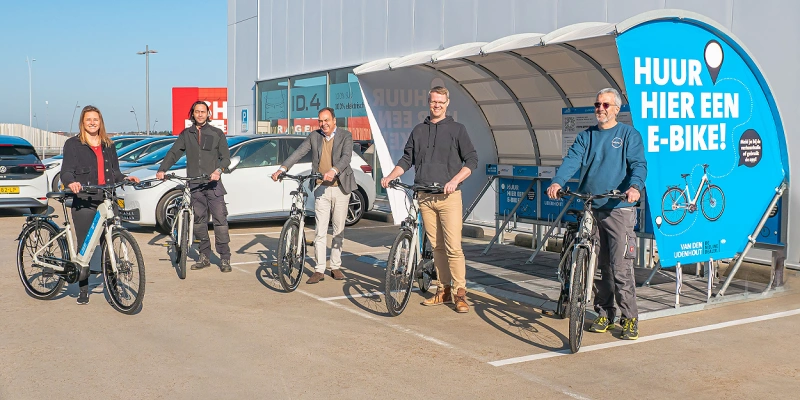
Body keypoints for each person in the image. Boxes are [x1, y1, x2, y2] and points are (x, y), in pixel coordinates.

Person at [546, 88, 647, 340]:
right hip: (591, 207)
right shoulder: (586, 137)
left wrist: (635, 187)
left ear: (616, 109)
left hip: (618, 208)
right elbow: (572, 160)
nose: (600, 109)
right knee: (598, 266)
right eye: (597, 104)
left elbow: (638, 164)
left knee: (621, 267)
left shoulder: (628, 135)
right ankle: (603, 313)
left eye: (605, 105)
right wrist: (558, 182)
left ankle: (629, 318)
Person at [381, 86, 478, 313]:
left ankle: (460, 293)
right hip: (424, 196)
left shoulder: (457, 129)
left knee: (453, 247)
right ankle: (443, 290)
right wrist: (390, 176)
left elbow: (472, 160)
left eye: (441, 102)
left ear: (447, 103)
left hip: (449, 197)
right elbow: (407, 159)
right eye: (434, 102)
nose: (437, 105)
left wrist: (455, 180)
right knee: (437, 248)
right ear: (429, 102)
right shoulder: (418, 130)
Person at [61, 105, 140, 305]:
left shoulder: (108, 144)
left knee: (109, 244)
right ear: (83, 122)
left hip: (107, 198)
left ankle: (113, 288)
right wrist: (72, 182)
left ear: (101, 121)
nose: (93, 122)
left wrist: (126, 178)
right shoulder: (73, 144)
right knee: (85, 247)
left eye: (96, 119)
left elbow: (114, 172)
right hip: (85, 200)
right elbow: (66, 171)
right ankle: (84, 289)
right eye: (89, 119)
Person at [271, 107, 357, 284]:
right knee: (320, 230)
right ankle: (319, 269)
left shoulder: (345, 135)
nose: (323, 124)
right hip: (320, 187)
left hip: (341, 187)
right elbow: (298, 152)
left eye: (326, 120)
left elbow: (346, 157)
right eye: (320, 121)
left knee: (338, 229)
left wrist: (334, 170)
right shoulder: (314, 136)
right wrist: (283, 168)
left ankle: (335, 266)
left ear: (334, 121)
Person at [157, 101, 232, 272]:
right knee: (199, 222)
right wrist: (162, 169)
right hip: (195, 184)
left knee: (220, 220)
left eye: (203, 111)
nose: (200, 114)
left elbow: (226, 158)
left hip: (213, 184)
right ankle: (204, 255)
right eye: (197, 111)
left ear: (208, 113)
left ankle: (225, 257)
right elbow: (174, 153)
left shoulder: (216, 133)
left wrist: (218, 170)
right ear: (192, 113)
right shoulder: (186, 134)